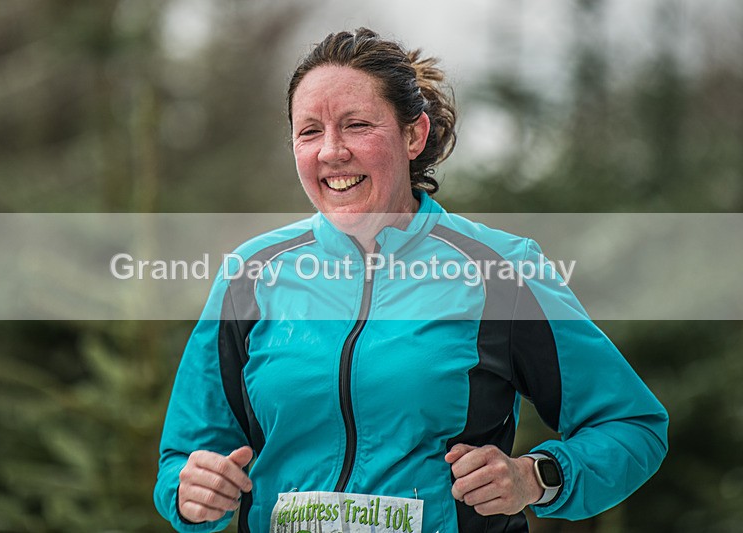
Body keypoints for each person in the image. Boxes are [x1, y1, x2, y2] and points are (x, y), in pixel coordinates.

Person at [154, 28, 668, 533]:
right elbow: (186, 453)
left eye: (357, 125)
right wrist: (189, 488)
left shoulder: (501, 271)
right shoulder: (252, 274)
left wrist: (535, 477)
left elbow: (632, 426)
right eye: (309, 131)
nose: (331, 151)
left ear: (414, 135)